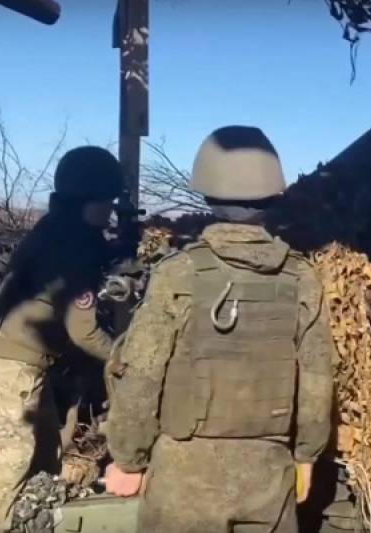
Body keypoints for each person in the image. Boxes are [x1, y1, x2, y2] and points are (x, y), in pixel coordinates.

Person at [103, 126, 335, 533]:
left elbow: (142, 373)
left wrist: (128, 460)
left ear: (207, 194)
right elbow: (317, 378)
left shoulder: (178, 273)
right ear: (273, 197)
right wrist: (306, 456)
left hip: (183, 473)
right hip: (269, 471)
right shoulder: (301, 277)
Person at [0, 146, 122, 533]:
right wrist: (123, 355)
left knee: (47, 444)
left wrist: (118, 252)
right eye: (107, 202)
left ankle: (34, 513)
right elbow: (84, 331)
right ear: (88, 200)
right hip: (15, 357)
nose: (111, 211)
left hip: (14, 349)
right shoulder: (73, 248)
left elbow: (87, 250)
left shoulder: (61, 226)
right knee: (12, 455)